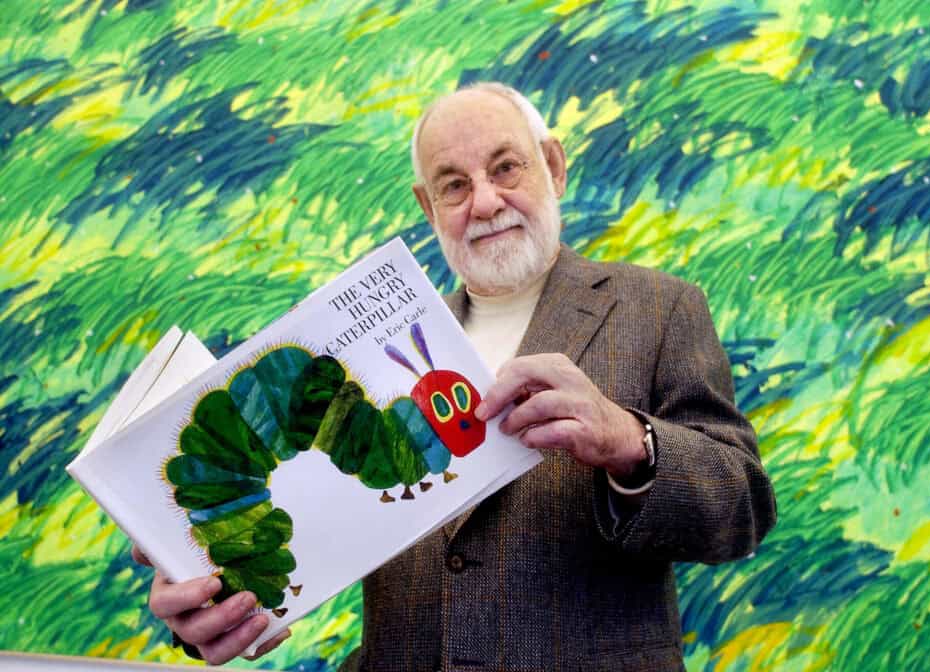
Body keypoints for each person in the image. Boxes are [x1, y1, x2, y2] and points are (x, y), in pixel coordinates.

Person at [134, 82, 777, 670]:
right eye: (453, 184)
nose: (486, 201)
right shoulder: (368, 351)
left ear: (552, 166)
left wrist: (630, 442)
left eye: (506, 168)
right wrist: (202, 591)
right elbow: (302, 509)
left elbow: (744, 507)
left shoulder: (660, 308)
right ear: (427, 204)